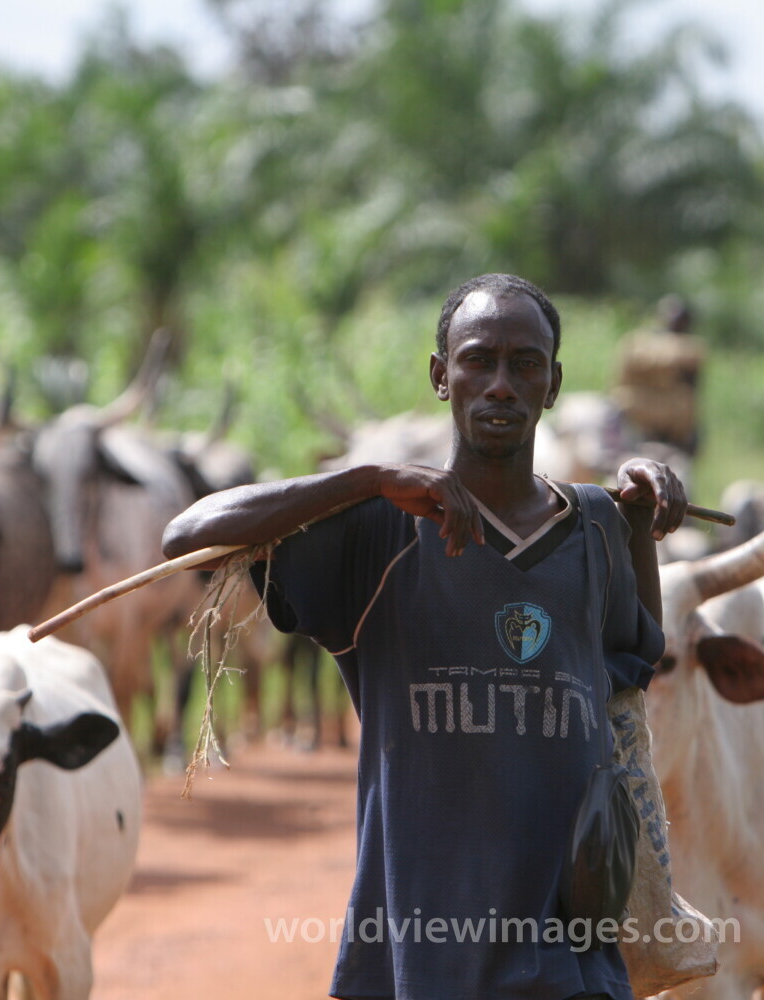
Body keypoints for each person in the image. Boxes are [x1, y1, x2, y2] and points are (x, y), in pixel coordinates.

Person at [162, 272, 687, 1000]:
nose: (501, 384)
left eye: (525, 363)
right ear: (442, 377)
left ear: (554, 383)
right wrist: (367, 479)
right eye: (478, 359)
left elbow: (632, 668)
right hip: (411, 963)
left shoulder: (594, 527)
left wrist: (639, 524)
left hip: (570, 962)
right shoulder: (379, 530)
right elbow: (185, 533)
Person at [612, 294, 704, 457]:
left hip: (669, 429)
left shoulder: (689, 349)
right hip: (639, 423)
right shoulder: (640, 343)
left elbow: (692, 394)